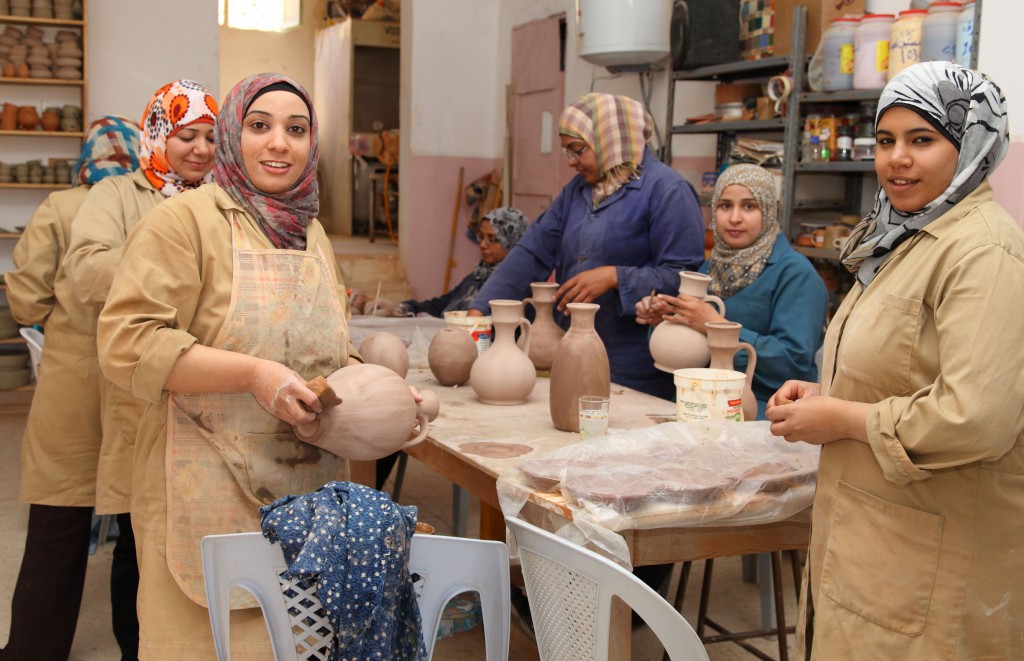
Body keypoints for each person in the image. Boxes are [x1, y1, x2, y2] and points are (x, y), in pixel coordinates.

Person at [95, 73, 385, 657]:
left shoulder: (312, 233)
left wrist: (378, 390)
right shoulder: (184, 222)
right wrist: (252, 375)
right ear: (233, 135)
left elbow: (328, 351)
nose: (279, 143)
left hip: (307, 492)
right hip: (203, 481)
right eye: (260, 126)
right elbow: (128, 340)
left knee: (296, 641)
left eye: (296, 129)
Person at [766, 62, 1022, 658]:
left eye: (922, 140)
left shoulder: (983, 251)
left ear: (974, 145)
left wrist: (844, 420)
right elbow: (895, 366)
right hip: (873, 538)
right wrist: (823, 392)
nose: (896, 159)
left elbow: (976, 417)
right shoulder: (902, 239)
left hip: (937, 553)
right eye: (886, 141)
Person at [62, 79, 218, 661]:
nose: (200, 150)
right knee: (141, 531)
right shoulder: (118, 196)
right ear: (158, 133)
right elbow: (85, 272)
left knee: (207, 525)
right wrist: (165, 261)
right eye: (186, 135)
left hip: (215, 385)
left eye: (209, 136)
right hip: (146, 389)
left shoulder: (225, 198)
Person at [0, 116, 140, 661]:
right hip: (134, 380)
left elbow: (27, 301)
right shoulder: (154, 207)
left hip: (71, 384)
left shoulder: (60, 206)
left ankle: (34, 650)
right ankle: (142, 646)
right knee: (136, 527)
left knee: (57, 523)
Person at [469, 92, 705, 401]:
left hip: (635, 365)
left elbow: (683, 277)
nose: (571, 162)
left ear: (612, 139)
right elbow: (532, 250)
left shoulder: (667, 191)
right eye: (566, 151)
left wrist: (615, 276)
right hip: (572, 350)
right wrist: (482, 308)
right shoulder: (578, 192)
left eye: (578, 150)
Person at [635, 164, 828, 418]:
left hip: (765, 412)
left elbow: (792, 361)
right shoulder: (709, 268)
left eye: (749, 206)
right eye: (725, 206)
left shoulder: (796, 275)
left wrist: (716, 326)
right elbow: (685, 356)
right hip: (701, 402)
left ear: (769, 211)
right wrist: (666, 320)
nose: (734, 218)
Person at [388, 207, 529, 317]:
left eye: (492, 239)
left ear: (512, 241)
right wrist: (404, 308)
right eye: (481, 236)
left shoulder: (516, 287)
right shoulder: (477, 276)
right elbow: (440, 305)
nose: (483, 244)